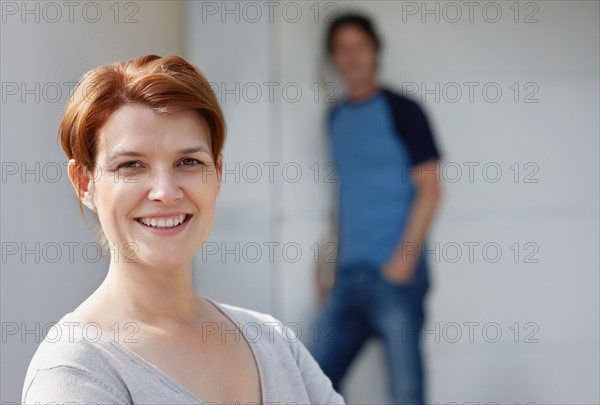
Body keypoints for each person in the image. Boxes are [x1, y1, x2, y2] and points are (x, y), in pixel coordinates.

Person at [22, 54, 345, 405]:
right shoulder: (76, 370)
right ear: (84, 183)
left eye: (188, 162)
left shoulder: (274, 343)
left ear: (217, 174)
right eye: (131, 165)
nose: (166, 192)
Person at [309, 14, 443, 405]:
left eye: (359, 47)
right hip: (348, 277)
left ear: (375, 52)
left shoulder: (404, 110)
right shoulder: (335, 118)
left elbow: (431, 190)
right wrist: (326, 262)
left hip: (396, 278)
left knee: (406, 391)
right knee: (315, 383)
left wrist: (401, 263)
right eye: (343, 49)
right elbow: (344, 197)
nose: (352, 57)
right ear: (333, 57)